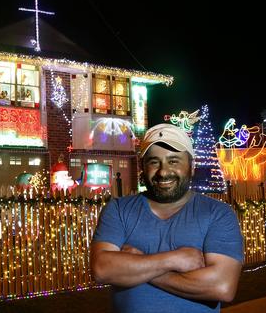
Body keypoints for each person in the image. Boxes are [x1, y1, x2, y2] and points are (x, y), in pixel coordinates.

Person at [90, 123, 243, 312]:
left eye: (173, 161)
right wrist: (173, 260)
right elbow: (102, 269)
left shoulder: (218, 214)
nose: (163, 172)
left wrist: (141, 266)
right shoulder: (119, 210)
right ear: (143, 167)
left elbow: (222, 287)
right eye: (154, 162)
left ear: (192, 166)